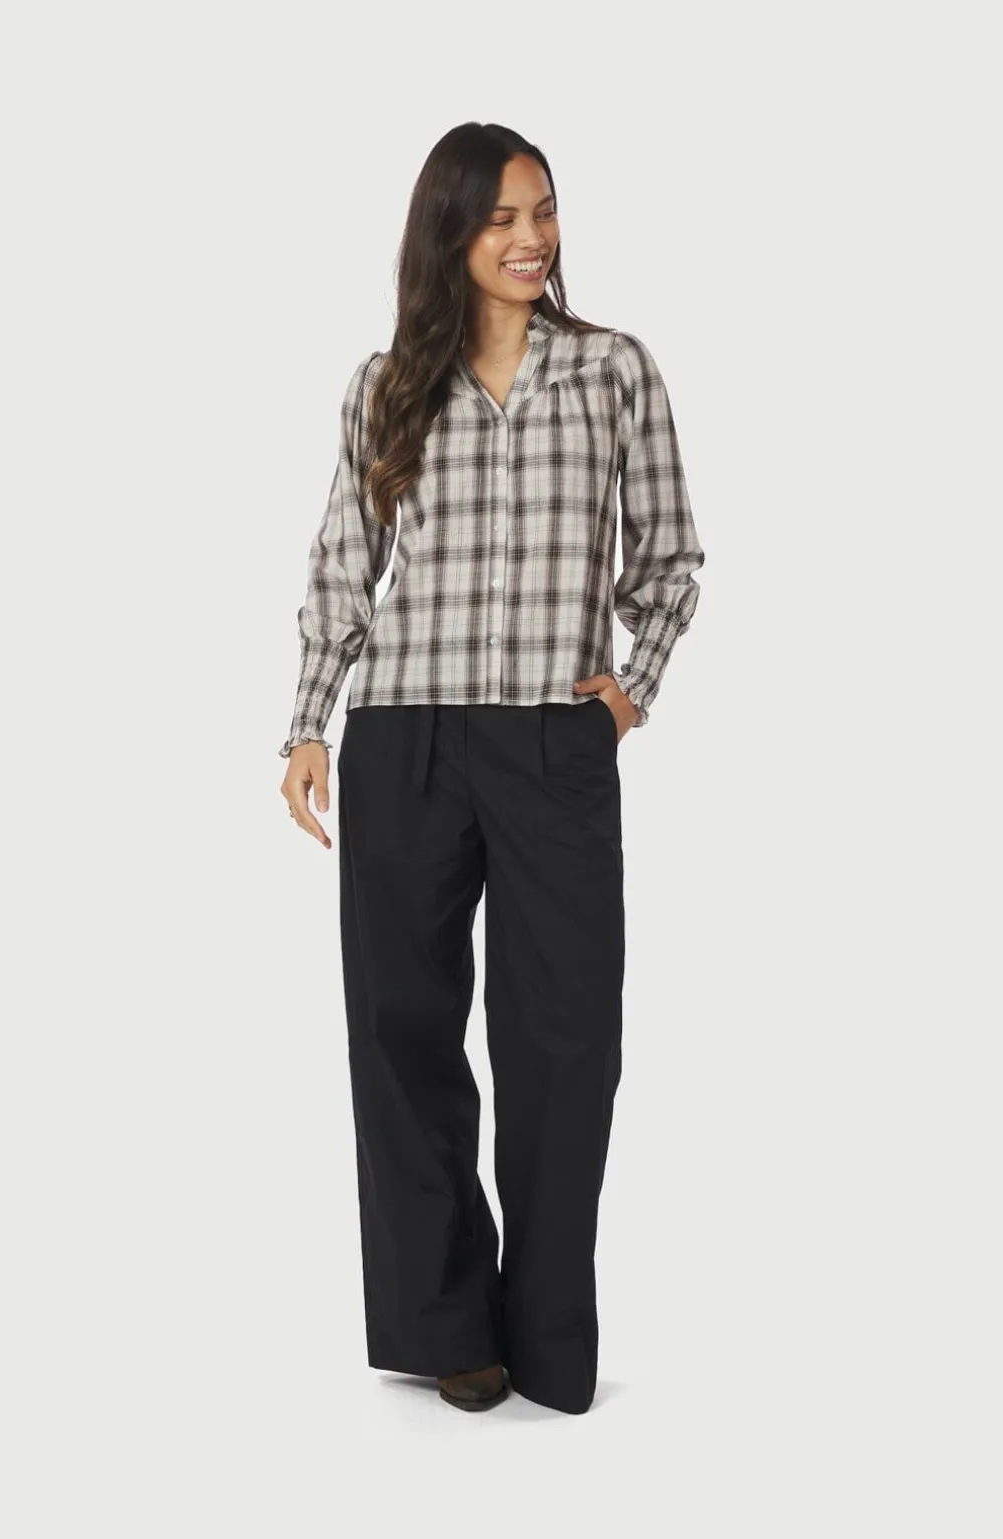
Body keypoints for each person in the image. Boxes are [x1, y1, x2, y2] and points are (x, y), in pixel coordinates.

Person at [278, 121, 705, 1416]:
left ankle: (550, 1334)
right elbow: (343, 564)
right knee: (401, 1030)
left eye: (545, 211)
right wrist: (309, 723)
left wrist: (631, 688)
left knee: (565, 1040)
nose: (532, 239)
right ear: (450, 234)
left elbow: (671, 558)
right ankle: (448, 1324)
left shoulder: (614, 370)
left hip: (551, 738)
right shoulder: (387, 385)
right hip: (405, 731)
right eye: (503, 217)